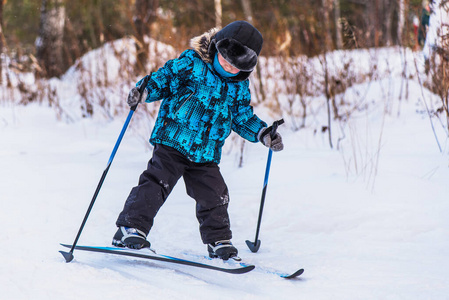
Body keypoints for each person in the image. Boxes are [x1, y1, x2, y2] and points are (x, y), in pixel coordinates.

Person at [112, 20, 284, 261]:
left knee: (215, 194)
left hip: (206, 151)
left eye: (235, 66)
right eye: (224, 59)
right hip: (173, 139)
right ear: (216, 47)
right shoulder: (191, 63)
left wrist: (263, 133)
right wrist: (145, 90)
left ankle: (219, 241)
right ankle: (130, 228)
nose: (228, 67)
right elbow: (165, 79)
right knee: (156, 182)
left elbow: (242, 117)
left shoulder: (239, 87)